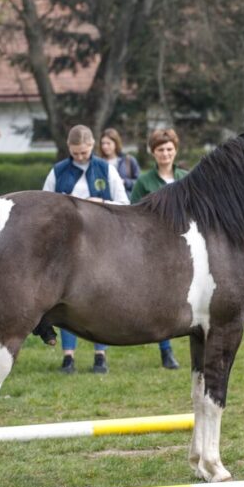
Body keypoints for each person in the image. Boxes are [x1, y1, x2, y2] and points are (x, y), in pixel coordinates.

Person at [42, 125, 129, 375]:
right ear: (69, 149)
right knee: (68, 299)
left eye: (84, 152)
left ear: (92, 146)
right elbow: (45, 204)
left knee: (100, 299)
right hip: (67, 245)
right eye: (75, 153)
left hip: (101, 243)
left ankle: (100, 354)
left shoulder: (106, 169)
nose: (80, 157)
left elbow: (124, 204)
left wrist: (100, 202)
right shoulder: (58, 171)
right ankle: (68, 356)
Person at [129, 128, 191, 370]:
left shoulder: (187, 177)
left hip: (185, 247)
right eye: (160, 150)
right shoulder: (144, 181)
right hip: (154, 249)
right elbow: (132, 214)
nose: (165, 154)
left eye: (169, 149)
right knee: (162, 299)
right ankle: (166, 351)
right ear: (153, 153)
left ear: (175, 151)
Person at [98, 128, 141, 196]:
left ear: (116, 143)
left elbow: (139, 183)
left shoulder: (129, 160)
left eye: (108, 143)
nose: (105, 146)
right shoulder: (98, 163)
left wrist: (124, 182)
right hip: (104, 202)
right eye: (103, 143)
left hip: (125, 202)